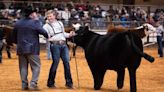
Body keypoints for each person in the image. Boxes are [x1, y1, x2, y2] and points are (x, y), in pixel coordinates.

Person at [12, 6, 48, 90]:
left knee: (23, 67)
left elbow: (13, 36)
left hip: (21, 48)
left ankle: (24, 85)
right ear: (32, 14)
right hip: (32, 49)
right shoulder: (35, 22)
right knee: (36, 66)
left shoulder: (18, 23)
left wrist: (18, 43)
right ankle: (33, 84)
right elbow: (44, 32)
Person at [43, 10, 75, 89]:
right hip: (55, 46)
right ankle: (50, 83)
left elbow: (63, 34)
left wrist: (70, 35)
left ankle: (69, 83)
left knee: (66, 63)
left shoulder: (60, 23)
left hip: (64, 45)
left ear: (54, 16)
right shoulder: (45, 26)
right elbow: (45, 36)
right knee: (55, 63)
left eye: (50, 16)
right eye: (48, 16)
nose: (49, 18)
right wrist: (51, 38)